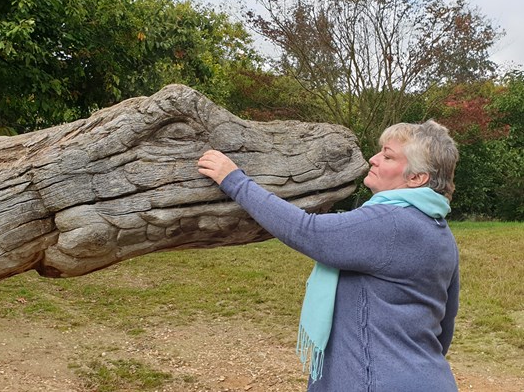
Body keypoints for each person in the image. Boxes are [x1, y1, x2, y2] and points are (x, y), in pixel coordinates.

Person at [197, 120, 460, 392]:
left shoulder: (391, 222)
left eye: (388, 155)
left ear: (416, 178)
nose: (374, 158)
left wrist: (235, 181)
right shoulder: (440, 232)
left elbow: (306, 231)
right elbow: (445, 325)